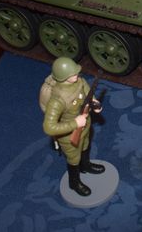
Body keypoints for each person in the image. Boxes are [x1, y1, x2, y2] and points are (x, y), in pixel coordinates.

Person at [41, 57, 104, 196]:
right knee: (73, 158)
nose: (77, 74)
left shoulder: (79, 81)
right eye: (72, 74)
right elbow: (48, 127)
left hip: (85, 125)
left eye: (76, 72)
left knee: (85, 145)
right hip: (69, 135)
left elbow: (88, 93)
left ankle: (85, 165)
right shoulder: (57, 100)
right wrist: (75, 123)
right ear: (63, 77)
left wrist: (94, 103)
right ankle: (74, 182)